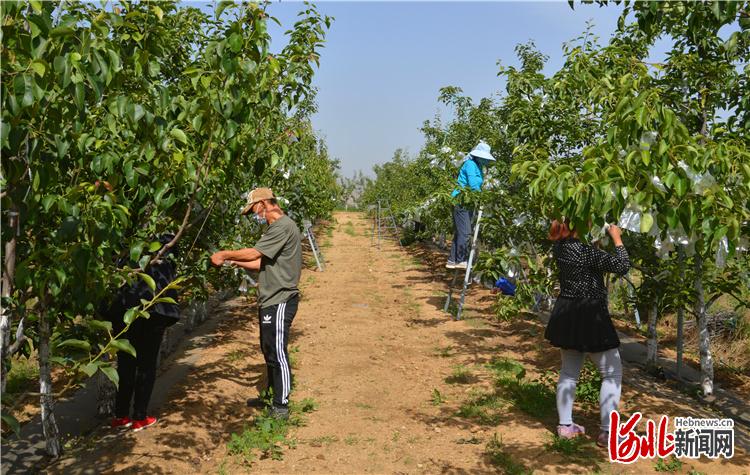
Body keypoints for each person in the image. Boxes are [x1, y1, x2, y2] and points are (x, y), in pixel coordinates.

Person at [210, 187, 302, 420]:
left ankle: (281, 405)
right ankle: (271, 395)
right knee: (268, 348)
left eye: (254, 210)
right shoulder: (275, 228)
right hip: (270, 298)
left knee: (277, 351)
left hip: (281, 298)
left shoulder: (282, 226)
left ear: (263, 204)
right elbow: (260, 262)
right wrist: (232, 261)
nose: (255, 215)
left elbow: (253, 254)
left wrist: (223, 254)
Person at [544, 220, 630, 447]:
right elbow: (622, 265)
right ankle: (609, 433)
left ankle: (565, 426)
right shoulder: (584, 251)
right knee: (611, 373)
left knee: (569, 372)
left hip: (568, 311)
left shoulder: (560, 247)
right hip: (590, 315)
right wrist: (617, 238)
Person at [106, 234, 181, 432]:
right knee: (146, 365)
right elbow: (171, 260)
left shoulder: (128, 239)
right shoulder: (165, 242)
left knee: (126, 361)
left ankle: (120, 415)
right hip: (153, 310)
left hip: (124, 308)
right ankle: (139, 416)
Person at [446, 141, 495, 270]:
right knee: (466, 232)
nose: (485, 160)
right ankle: (461, 260)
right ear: (478, 156)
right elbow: (473, 184)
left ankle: (452, 260)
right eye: (483, 158)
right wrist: (482, 197)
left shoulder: (477, 166)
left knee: (461, 232)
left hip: (468, 201)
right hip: (461, 200)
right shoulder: (470, 164)